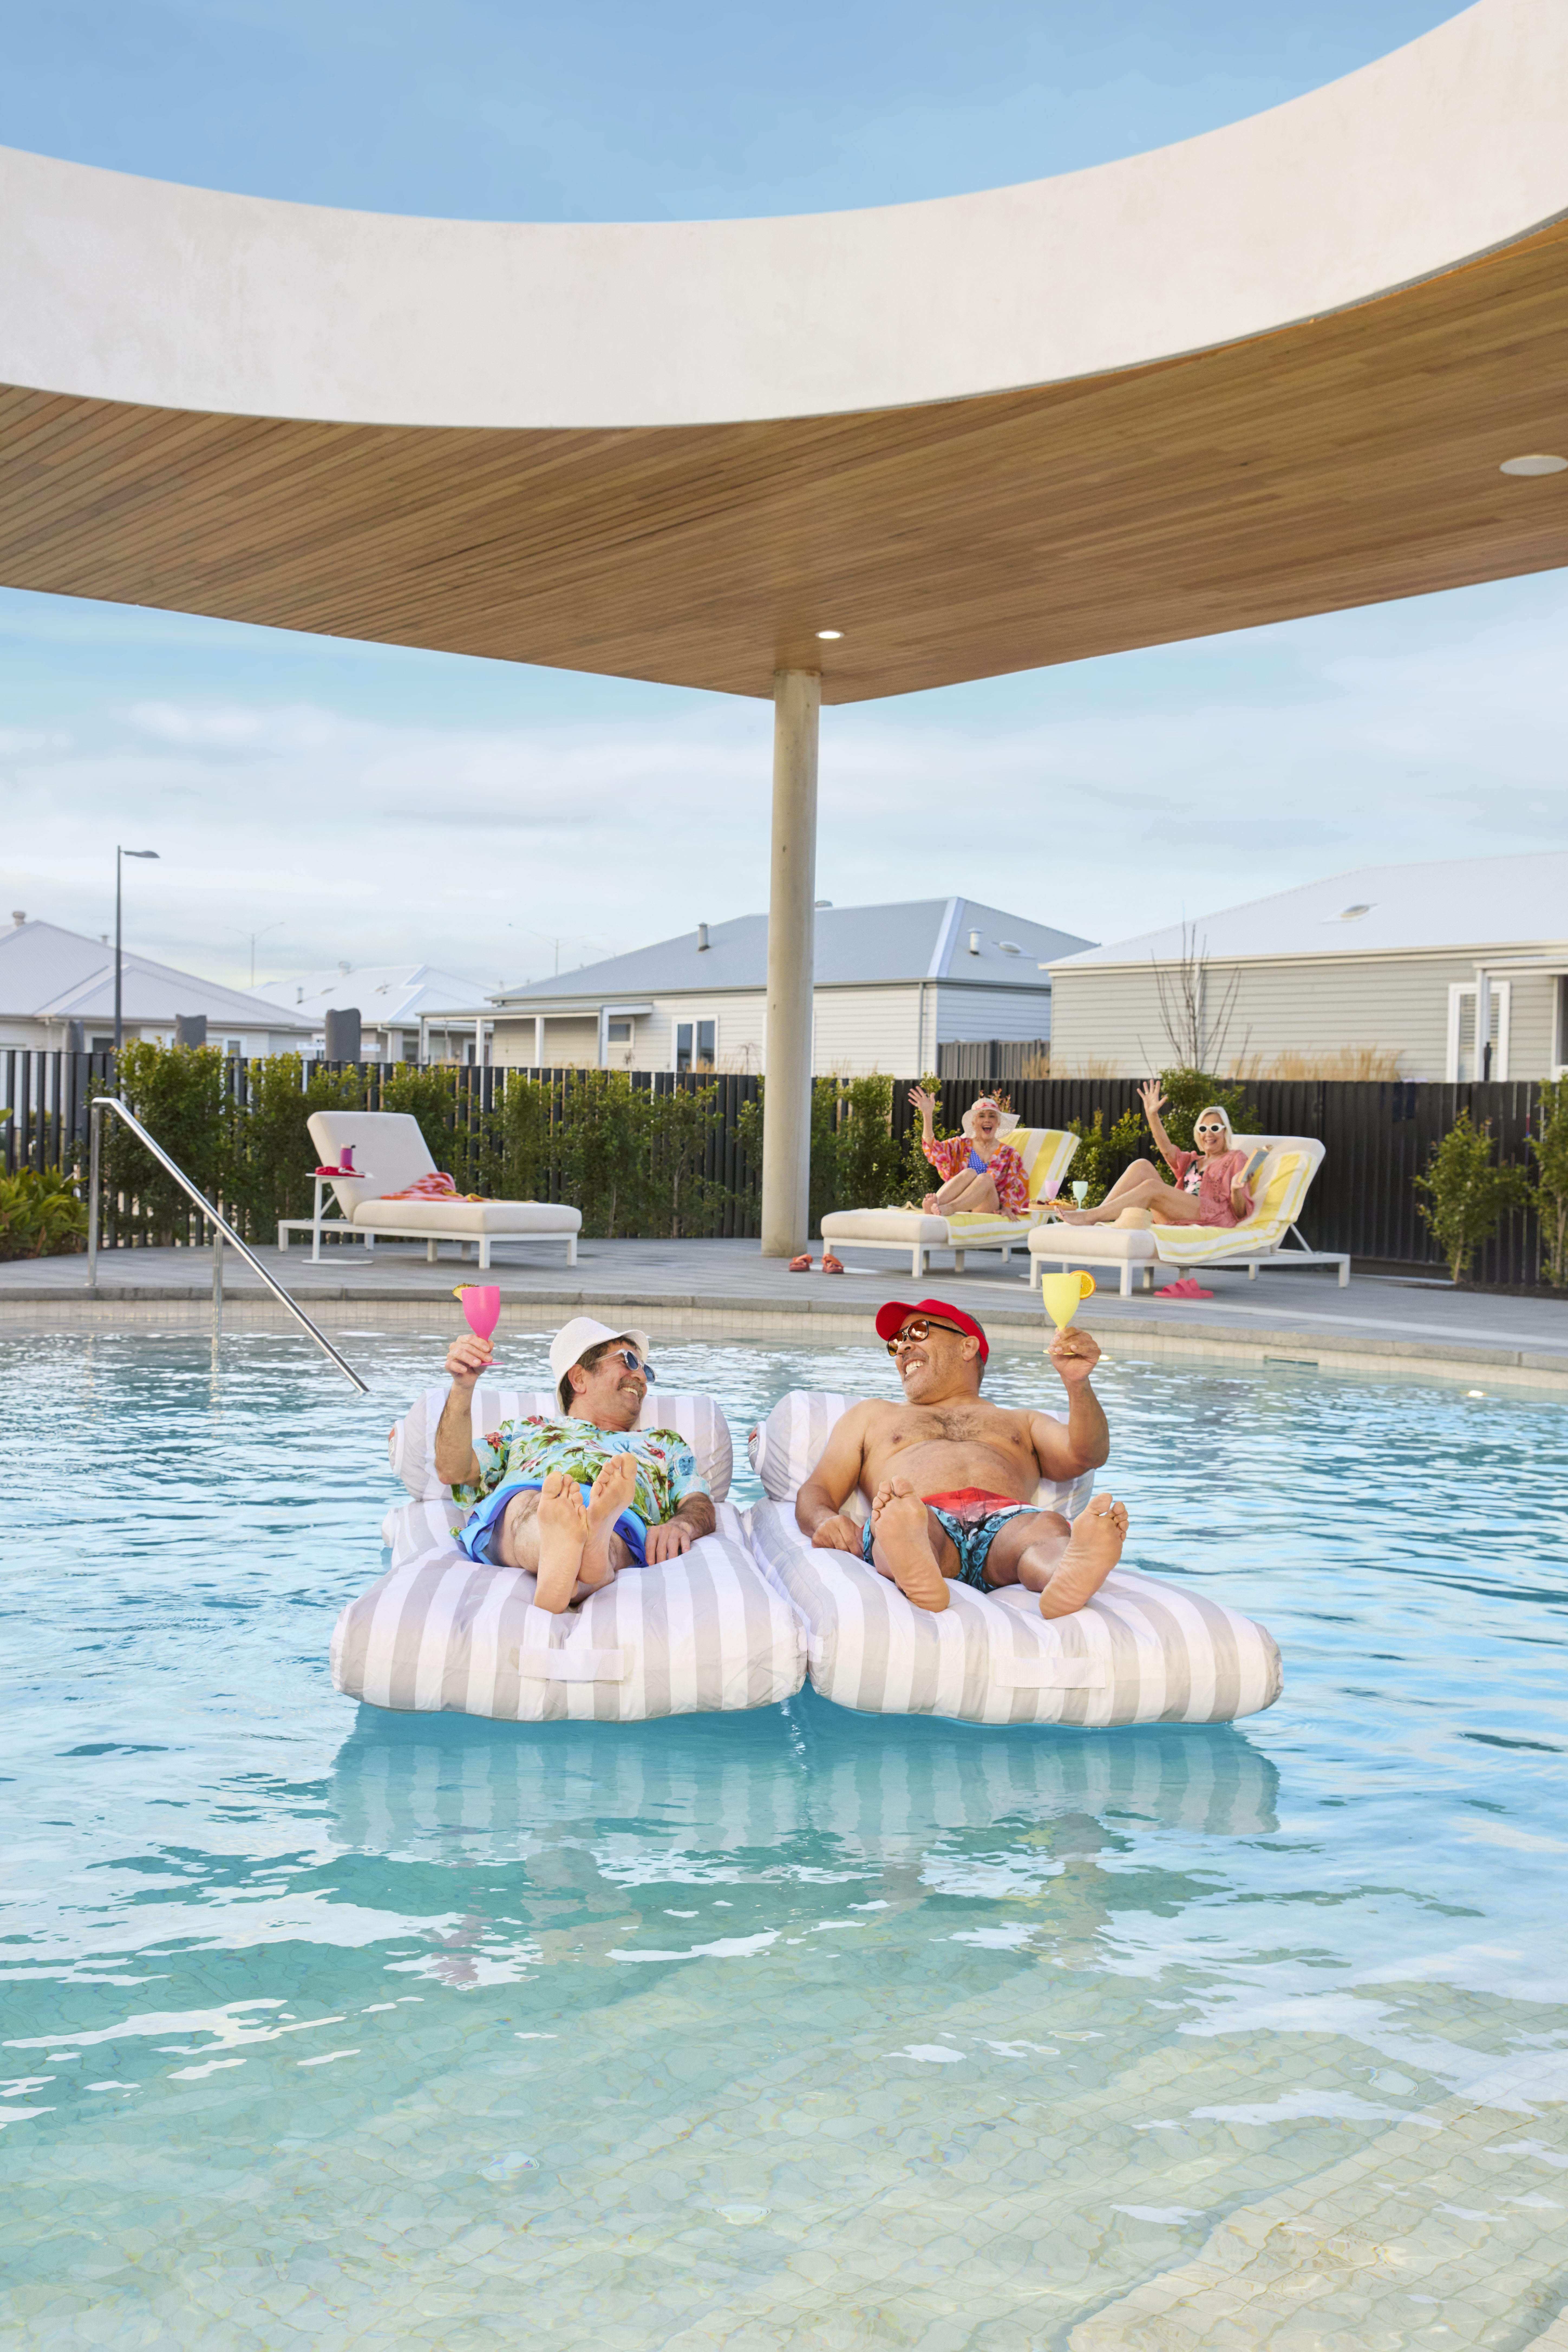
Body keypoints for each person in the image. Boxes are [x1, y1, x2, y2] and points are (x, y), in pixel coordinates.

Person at [794, 1298, 1126, 1618]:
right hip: (922, 1516)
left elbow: (1087, 1455)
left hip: (1006, 1521)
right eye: (897, 1342)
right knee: (901, 1522)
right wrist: (824, 1521)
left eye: (919, 1332)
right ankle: (916, 1569)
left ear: (967, 1347)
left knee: (1045, 1527)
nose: (903, 1348)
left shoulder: (1021, 1421)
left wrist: (1077, 1384)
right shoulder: (871, 1415)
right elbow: (817, 1489)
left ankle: (1064, 1574)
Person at [433, 1315, 716, 1613]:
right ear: (579, 1378)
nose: (643, 1377)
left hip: (620, 1518)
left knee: (618, 1522)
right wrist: (462, 1388)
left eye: (645, 1369)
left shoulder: (664, 1443)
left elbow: (697, 1501)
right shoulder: (527, 1428)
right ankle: (586, 1560)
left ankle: (574, 1566)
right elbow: (453, 1469)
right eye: (629, 1362)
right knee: (536, 1503)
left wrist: (680, 1524)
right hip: (533, 1502)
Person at [1053, 1083, 1257, 1228]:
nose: (1208, 1133)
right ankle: (1100, 1214)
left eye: (1215, 1127)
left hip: (1213, 1215)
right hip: (1176, 1213)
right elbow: (1167, 1150)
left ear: (1225, 1131)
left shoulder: (1236, 1158)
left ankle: (1089, 1216)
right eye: (1203, 1128)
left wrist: (1236, 1191)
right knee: (1142, 1165)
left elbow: (1239, 1213)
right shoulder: (1194, 1161)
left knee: (1152, 1187)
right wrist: (1152, 1114)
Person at [909, 1087, 1031, 1218]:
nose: (988, 1120)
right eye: (982, 1116)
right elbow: (933, 1150)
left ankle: (948, 1208)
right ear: (974, 1123)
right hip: (960, 1198)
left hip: (987, 1204)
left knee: (986, 1179)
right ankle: (937, 1205)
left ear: (998, 1123)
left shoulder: (1009, 1154)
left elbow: (1016, 1183)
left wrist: (1008, 1208)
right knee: (969, 1173)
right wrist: (927, 1115)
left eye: (992, 1116)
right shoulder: (960, 1145)